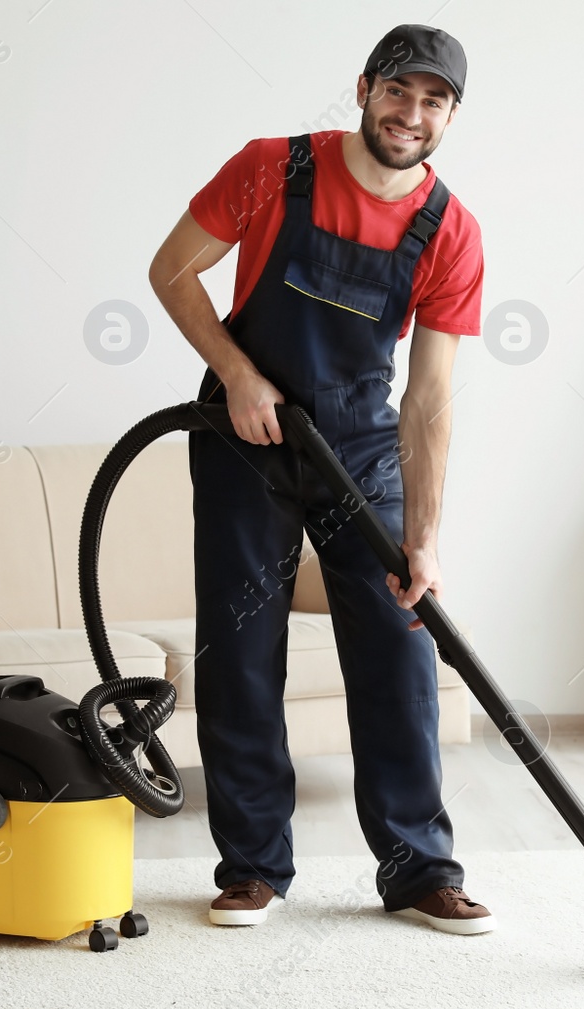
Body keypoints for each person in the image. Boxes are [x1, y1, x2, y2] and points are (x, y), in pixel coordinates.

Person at [148, 24, 492, 935]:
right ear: (364, 87)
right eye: (398, 92)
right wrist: (235, 371)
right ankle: (254, 866)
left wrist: (421, 537)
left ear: (451, 115)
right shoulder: (272, 168)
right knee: (240, 649)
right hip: (243, 437)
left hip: (361, 451)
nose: (411, 115)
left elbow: (430, 398)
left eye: (433, 102)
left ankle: (420, 867)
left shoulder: (450, 231)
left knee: (399, 645)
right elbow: (172, 269)